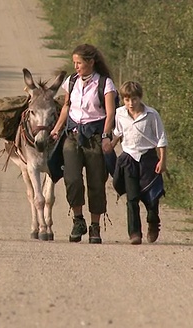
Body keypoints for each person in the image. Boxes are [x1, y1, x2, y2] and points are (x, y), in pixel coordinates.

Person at [50, 44, 118, 244]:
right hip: (72, 136)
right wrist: (56, 129)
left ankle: (95, 226)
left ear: (91, 62)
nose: (76, 66)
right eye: (74, 63)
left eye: (79, 63)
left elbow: (110, 112)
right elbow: (66, 107)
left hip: (95, 137)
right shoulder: (71, 81)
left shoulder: (105, 84)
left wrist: (106, 136)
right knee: (71, 178)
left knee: (96, 181)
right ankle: (78, 220)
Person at [111, 81, 168, 245]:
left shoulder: (151, 115)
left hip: (148, 158)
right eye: (127, 99)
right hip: (129, 158)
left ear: (140, 98)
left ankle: (153, 221)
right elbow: (118, 132)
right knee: (132, 197)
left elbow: (161, 139)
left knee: (151, 195)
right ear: (123, 99)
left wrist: (162, 160)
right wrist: (111, 143)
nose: (131, 103)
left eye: (134, 99)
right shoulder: (120, 113)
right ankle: (135, 233)